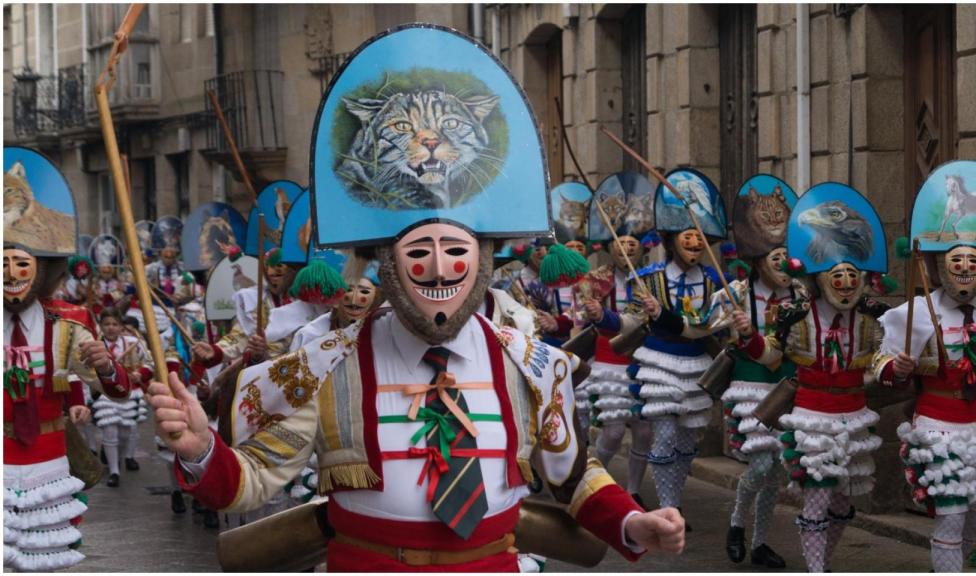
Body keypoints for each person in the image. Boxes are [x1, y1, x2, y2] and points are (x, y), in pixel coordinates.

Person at [147, 25, 685, 572]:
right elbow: (252, 477)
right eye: (417, 250)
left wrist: (630, 522)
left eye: (455, 250)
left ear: (485, 260)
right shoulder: (328, 365)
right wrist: (199, 452)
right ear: (384, 263)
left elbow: (573, 474)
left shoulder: (533, 365)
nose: (436, 266)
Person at [731, 182, 892, 572]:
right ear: (821, 278)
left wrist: (891, 368)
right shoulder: (796, 316)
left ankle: (824, 562)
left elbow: (876, 362)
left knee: (842, 505)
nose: (846, 283)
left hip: (854, 419)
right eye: (837, 276)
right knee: (817, 498)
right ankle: (815, 569)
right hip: (812, 417)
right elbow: (771, 355)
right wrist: (749, 337)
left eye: (852, 276)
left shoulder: (871, 318)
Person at [873, 161, 976, 572]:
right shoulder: (917, 312)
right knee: (952, 515)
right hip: (939, 427)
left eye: (974, 264)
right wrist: (897, 367)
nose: (965, 270)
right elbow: (881, 364)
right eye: (956, 263)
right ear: (940, 266)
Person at [3, 147, 133, 571]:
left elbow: (117, 390)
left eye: (21, 264)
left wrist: (106, 365)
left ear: (41, 270)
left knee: (46, 561)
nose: (9, 274)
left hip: (49, 463)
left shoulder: (66, 328)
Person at [602, 168, 729, 523]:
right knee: (664, 435)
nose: (694, 244)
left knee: (687, 441)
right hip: (659, 362)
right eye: (688, 236)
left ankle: (676, 499)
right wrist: (602, 316)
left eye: (700, 237)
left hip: (697, 365)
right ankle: (669, 507)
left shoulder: (715, 282)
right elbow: (628, 324)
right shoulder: (647, 279)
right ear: (672, 240)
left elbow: (709, 327)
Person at [710, 175, 801, 569]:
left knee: (778, 469)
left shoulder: (801, 295)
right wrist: (734, 323)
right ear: (758, 258)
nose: (781, 264)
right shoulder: (736, 293)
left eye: (786, 256)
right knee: (760, 465)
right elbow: (705, 325)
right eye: (773, 257)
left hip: (787, 384)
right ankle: (736, 522)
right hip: (750, 384)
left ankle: (761, 542)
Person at [578, 172, 657, 508]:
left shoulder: (651, 281)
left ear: (641, 249)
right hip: (609, 360)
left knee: (643, 432)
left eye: (632, 244)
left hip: (641, 361)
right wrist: (592, 312)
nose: (626, 248)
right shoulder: (594, 279)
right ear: (610, 247)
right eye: (620, 243)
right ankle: (593, 483)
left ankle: (634, 490)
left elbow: (649, 319)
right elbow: (582, 320)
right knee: (611, 431)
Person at [92, 308, 154, 487]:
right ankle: (114, 471)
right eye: (106, 324)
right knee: (109, 429)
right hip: (105, 392)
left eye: (115, 324)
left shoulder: (134, 343)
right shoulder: (95, 345)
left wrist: (140, 374)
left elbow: (151, 363)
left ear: (121, 327)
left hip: (130, 391)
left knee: (127, 431)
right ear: (101, 326)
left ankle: (124, 456)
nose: (111, 328)